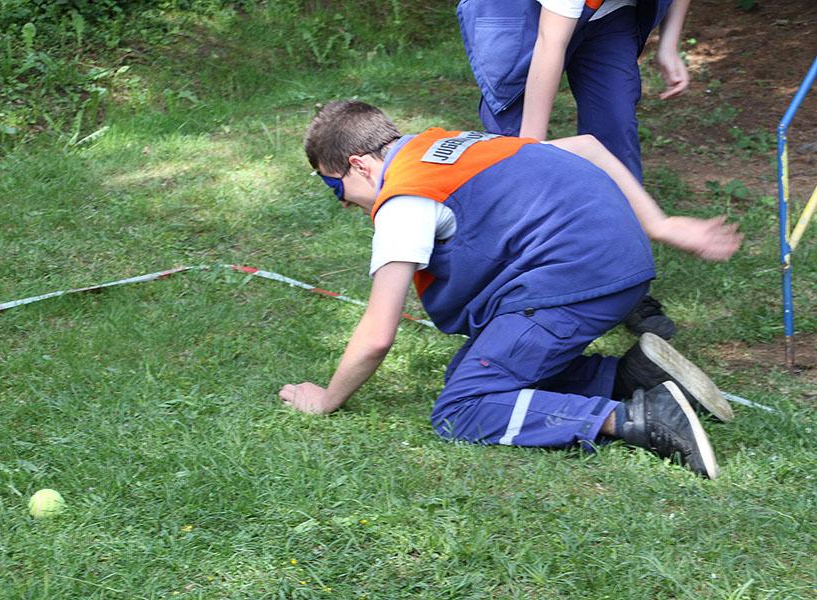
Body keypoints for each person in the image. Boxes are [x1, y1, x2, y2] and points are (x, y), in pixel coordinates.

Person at [280, 101, 741, 478]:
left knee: (463, 407)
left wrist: (326, 399)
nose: (343, 204)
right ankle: (634, 377)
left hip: (574, 282)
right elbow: (588, 147)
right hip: (621, 268)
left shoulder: (405, 198)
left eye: (333, 187)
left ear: (359, 165)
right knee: (471, 369)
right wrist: (658, 225)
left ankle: (638, 419)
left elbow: (379, 333)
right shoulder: (452, 144)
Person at [457, 0, 691, 338]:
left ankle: (623, 283)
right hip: (516, 14)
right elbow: (550, 41)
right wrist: (529, 151)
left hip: (609, 15)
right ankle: (508, 288)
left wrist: (669, 45)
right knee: (513, 152)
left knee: (616, 130)